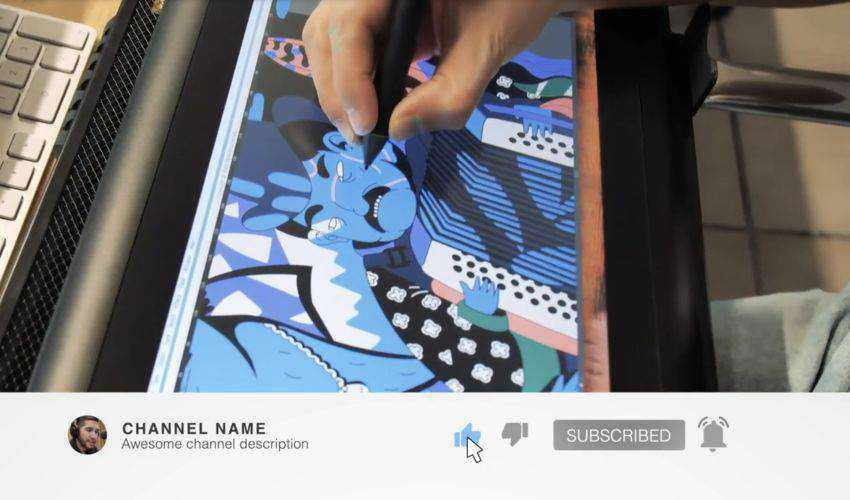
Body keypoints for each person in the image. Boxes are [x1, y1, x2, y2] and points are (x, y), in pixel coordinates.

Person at [304, 0, 850, 392]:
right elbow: (519, 328)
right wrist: (487, 315)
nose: (351, 193)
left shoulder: (455, 154)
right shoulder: (430, 260)